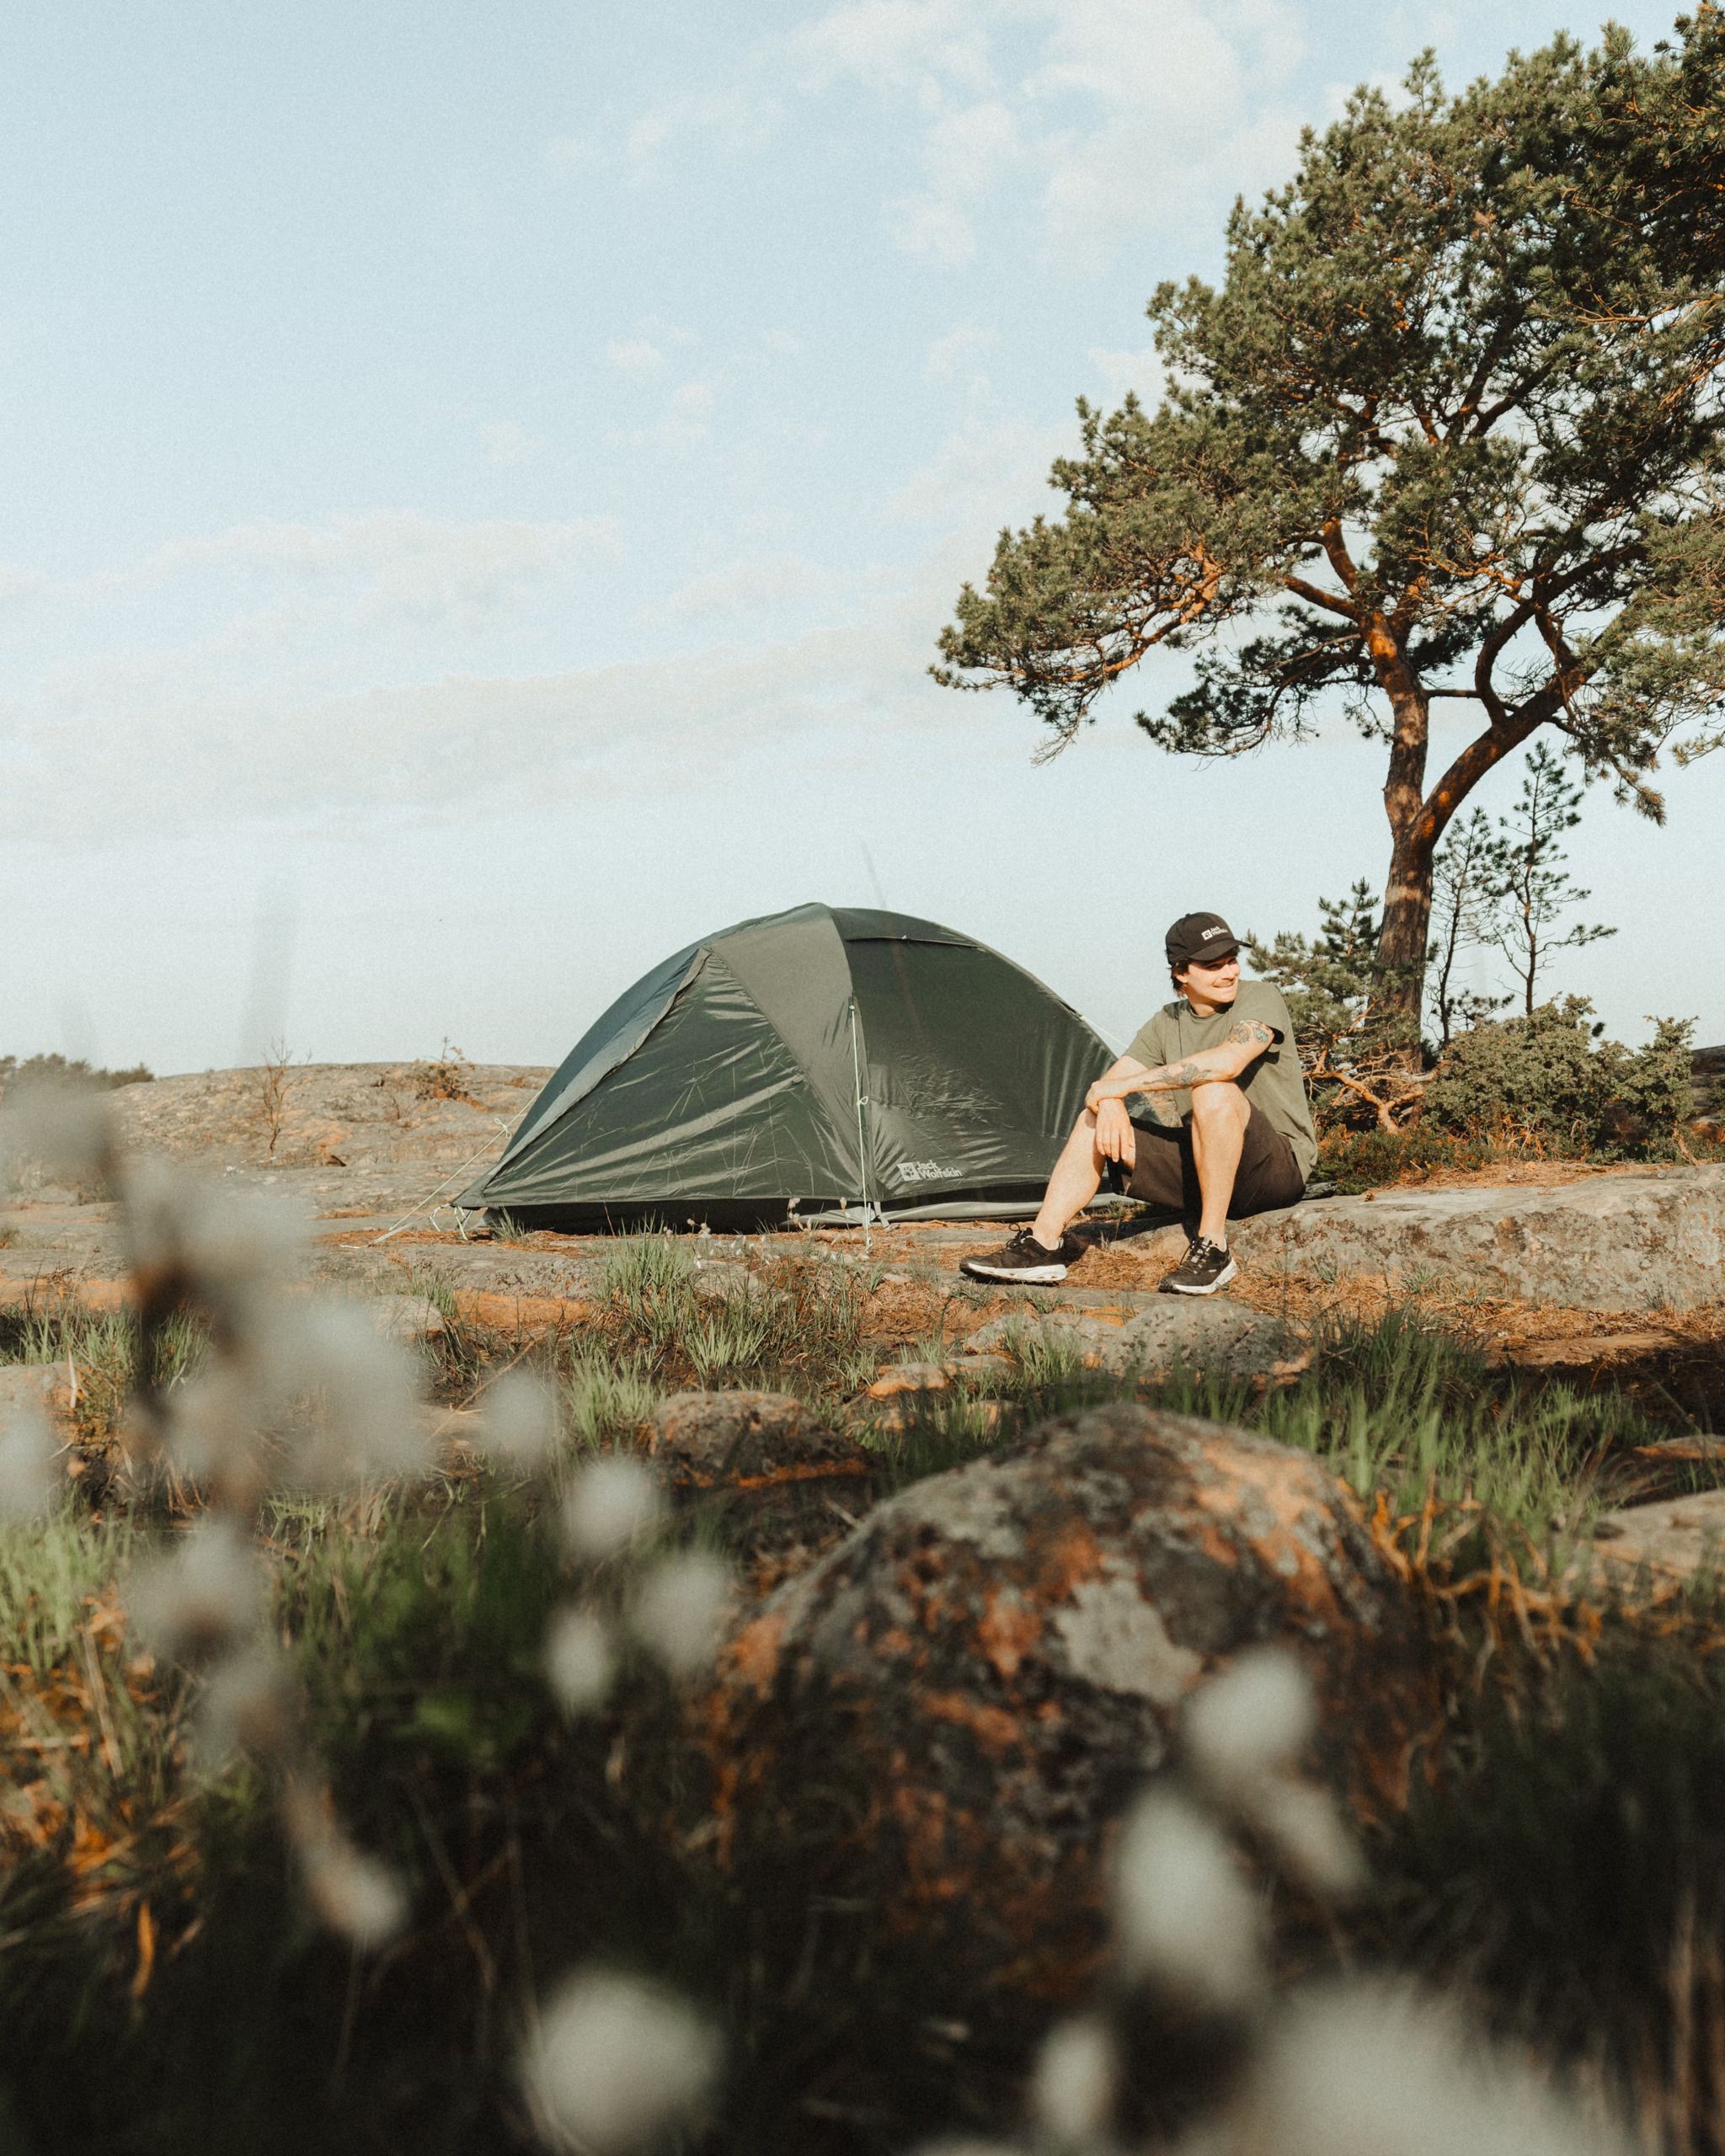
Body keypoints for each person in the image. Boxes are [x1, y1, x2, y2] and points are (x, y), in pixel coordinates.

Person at [961, 910, 1316, 1294]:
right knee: (1092, 1120)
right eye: (1214, 966)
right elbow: (1102, 1088)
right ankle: (1043, 1245)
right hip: (1206, 1166)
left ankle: (1213, 1247)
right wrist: (1111, 1100)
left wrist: (1120, 1089)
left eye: (1232, 960)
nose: (1230, 972)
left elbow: (1227, 1062)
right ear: (1182, 973)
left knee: (1211, 1089)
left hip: (1275, 1169)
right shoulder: (1166, 1022)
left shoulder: (1260, 996)